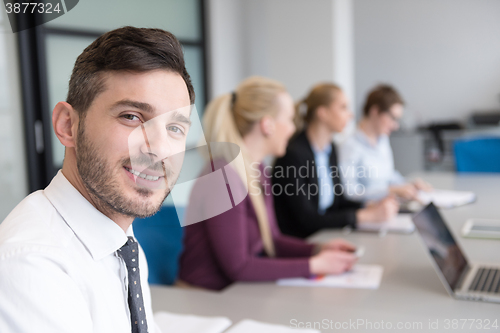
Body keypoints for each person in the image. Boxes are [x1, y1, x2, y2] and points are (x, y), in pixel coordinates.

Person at [0, 27, 194, 333]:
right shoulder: (30, 265)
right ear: (67, 126)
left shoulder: (122, 245)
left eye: (175, 128)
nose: (159, 150)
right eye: (132, 116)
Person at [179, 77, 359, 291]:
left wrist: (318, 249)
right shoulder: (222, 176)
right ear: (267, 124)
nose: (293, 129)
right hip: (205, 299)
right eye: (290, 119)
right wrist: (314, 264)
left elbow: (272, 241)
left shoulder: (258, 170)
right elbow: (239, 267)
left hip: (237, 294)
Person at [272, 83, 399, 239]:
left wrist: (369, 206)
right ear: (322, 113)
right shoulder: (293, 155)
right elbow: (307, 219)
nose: (350, 115)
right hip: (302, 242)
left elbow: (337, 202)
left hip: (325, 235)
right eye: (343, 107)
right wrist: (364, 216)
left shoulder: (329, 148)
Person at [338, 84, 431, 203]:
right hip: (368, 213)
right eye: (393, 118)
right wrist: (391, 190)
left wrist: (409, 184)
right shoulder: (349, 145)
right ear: (375, 111)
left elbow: (388, 175)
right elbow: (350, 192)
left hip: (387, 207)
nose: (396, 126)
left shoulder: (382, 140)